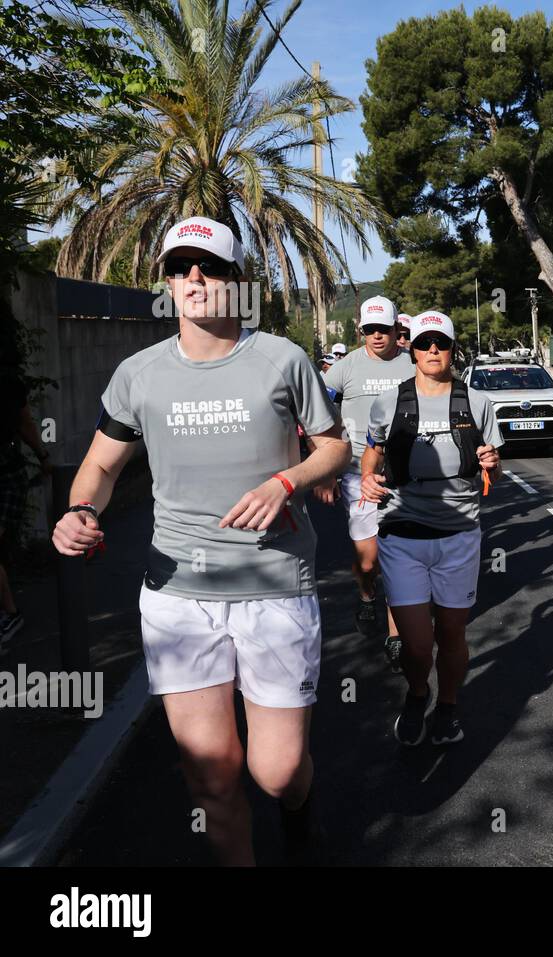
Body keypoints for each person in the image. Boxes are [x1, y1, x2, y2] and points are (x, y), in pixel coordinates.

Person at [51, 216, 350, 865]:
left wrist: (287, 480)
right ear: (166, 282)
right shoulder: (138, 374)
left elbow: (334, 447)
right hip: (177, 594)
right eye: (180, 266)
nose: (194, 277)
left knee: (277, 770)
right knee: (212, 779)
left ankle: (299, 811)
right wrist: (81, 510)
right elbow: (100, 468)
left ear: (235, 280)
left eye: (209, 266)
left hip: (273, 587)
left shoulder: (281, 360)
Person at [361, 310, 501, 746]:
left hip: (459, 534)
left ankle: (448, 706)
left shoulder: (477, 402)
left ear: (452, 348)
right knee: (419, 644)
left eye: (440, 342)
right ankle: (419, 692)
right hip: (402, 533)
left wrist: (491, 466)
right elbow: (373, 453)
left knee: (452, 633)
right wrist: (367, 477)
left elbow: (491, 473)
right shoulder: (389, 401)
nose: (432, 350)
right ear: (412, 350)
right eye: (424, 344)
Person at [321, 295, 414, 667]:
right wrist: (325, 468)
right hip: (360, 473)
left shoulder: (413, 364)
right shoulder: (343, 369)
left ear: (396, 330)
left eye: (384, 329)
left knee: (398, 555)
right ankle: (365, 597)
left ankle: (396, 635)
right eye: (369, 329)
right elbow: (317, 414)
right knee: (368, 560)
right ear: (362, 331)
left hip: (405, 475)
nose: (377, 336)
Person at [0, 354, 54, 650]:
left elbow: (25, 423)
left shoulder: (8, 381)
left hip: (6, 475)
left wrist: (43, 455)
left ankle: (11, 614)